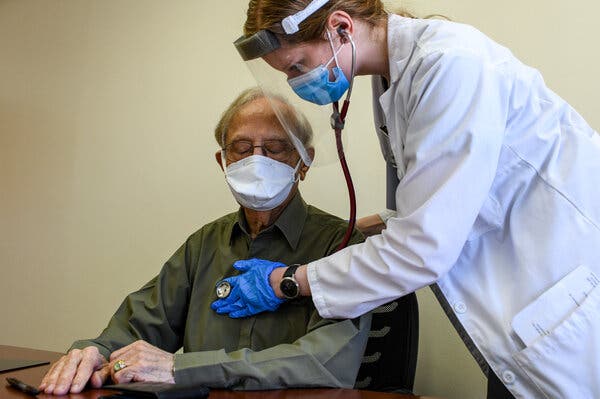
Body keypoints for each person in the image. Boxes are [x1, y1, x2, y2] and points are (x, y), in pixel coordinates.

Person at [211, 1, 600, 398]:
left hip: (564, 310)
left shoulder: (450, 65)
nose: (297, 82)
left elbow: (422, 246)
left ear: (340, 27)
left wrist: (286, 282)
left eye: (297, 66)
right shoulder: (396, 78)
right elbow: (434, 201)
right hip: (525, 321)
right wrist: (348, 229)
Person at [38, 87, 370, 395]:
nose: (258, 161)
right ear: (222, 161)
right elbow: (140, 326)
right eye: (242, 149)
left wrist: (183, 368)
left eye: (275, 148)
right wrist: (93, 353)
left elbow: (323, 362)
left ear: (305, 161)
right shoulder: (204, 244)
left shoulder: (339, 245)